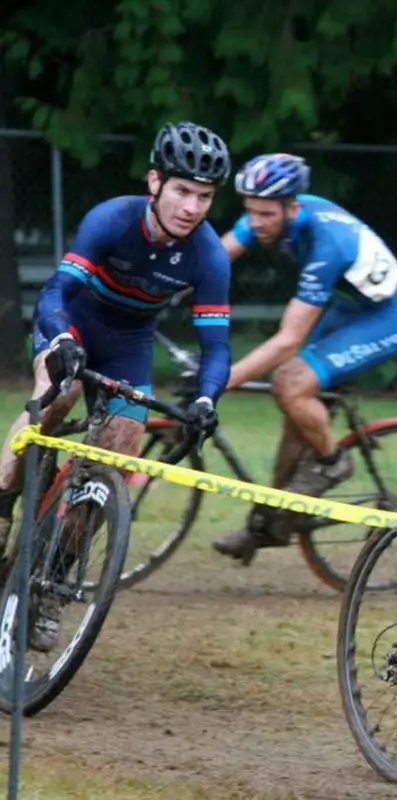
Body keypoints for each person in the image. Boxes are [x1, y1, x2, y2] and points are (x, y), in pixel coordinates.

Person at [0, 121, 233, 651]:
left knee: (120, 452)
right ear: (154, 183)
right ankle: (2, 501)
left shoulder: (209, 255)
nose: (192, 207)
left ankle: (54, 583)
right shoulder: (110, 219)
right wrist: (60, 340)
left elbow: (216, 345)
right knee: (55, 398)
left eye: (204, 196)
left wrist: (204, 399)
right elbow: (57, 291)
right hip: (74, 323)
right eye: (182, 190)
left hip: (129, 344)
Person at [212, 153, 397, 563]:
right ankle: (266, 525)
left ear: (292, 207)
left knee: (288, 381)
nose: (256, 223)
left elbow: (288, 340)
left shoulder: (327, 242)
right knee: (293, 413)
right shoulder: (267, 214)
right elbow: (215, 258)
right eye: (249, 212)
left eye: (265, 214)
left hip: (384, 319)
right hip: (347, 310)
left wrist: (222, 378)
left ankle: (331, 461)